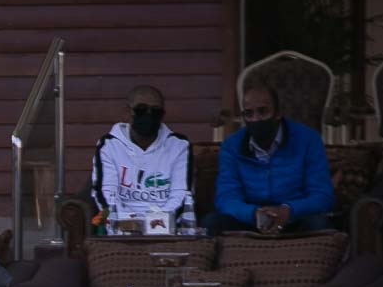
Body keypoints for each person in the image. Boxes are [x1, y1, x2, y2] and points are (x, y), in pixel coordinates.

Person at [204, 81, 334, 236]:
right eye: (249, 114)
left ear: (278, 113)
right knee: (212, 223)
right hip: (251, 219)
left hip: (295, 218)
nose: (256, 119)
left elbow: (322, 196)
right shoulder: (231, 146)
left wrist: (288, 210)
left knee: (320, 224)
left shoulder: (308, 140)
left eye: (263, 111)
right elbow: (226, 198)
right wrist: (253, 213)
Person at [92, 84, 191, 229]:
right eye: (141, 109)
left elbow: (181, 195)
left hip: (164, 228)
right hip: (121, 227)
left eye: (155, 111)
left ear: (162, 116)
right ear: (128, 112)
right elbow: (106, 194)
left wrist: (154, 224)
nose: (148, 115)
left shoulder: (179, 145)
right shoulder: (109, 145)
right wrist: (128, 223)